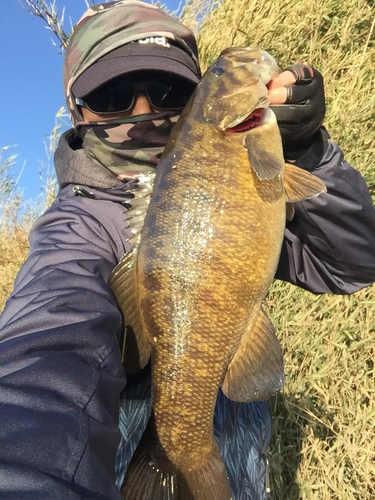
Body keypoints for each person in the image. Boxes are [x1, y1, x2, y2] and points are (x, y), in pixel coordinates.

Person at [0, 1, 374, 499]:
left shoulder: (240, 175)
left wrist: (311, 153)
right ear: (78, 112)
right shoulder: (77, 230)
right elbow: (46, 346)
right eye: (112, 96)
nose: (144, 113)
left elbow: (352, 263)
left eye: (168, 90)